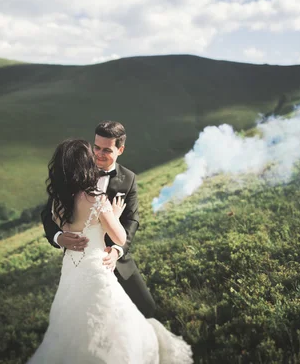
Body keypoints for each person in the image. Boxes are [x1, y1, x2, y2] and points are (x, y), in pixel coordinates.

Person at [29, 138, 193, 363]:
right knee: (114, 323)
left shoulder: (58, 200)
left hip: (71, 271)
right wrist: (112, 216)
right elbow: (120, 236)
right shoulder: (95, 198)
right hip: (97, 271)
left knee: (71, 326)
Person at [42, 121, 156, 317]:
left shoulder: (128, 179)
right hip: (81, 262)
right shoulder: (74, 172)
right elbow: (47, 213)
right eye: (96, 147)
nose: (98, 154)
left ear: (120, 149)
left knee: (147, 309)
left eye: (106, 150)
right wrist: (58, 237)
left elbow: (132, 220)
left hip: (117, 260)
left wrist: (117, 251)